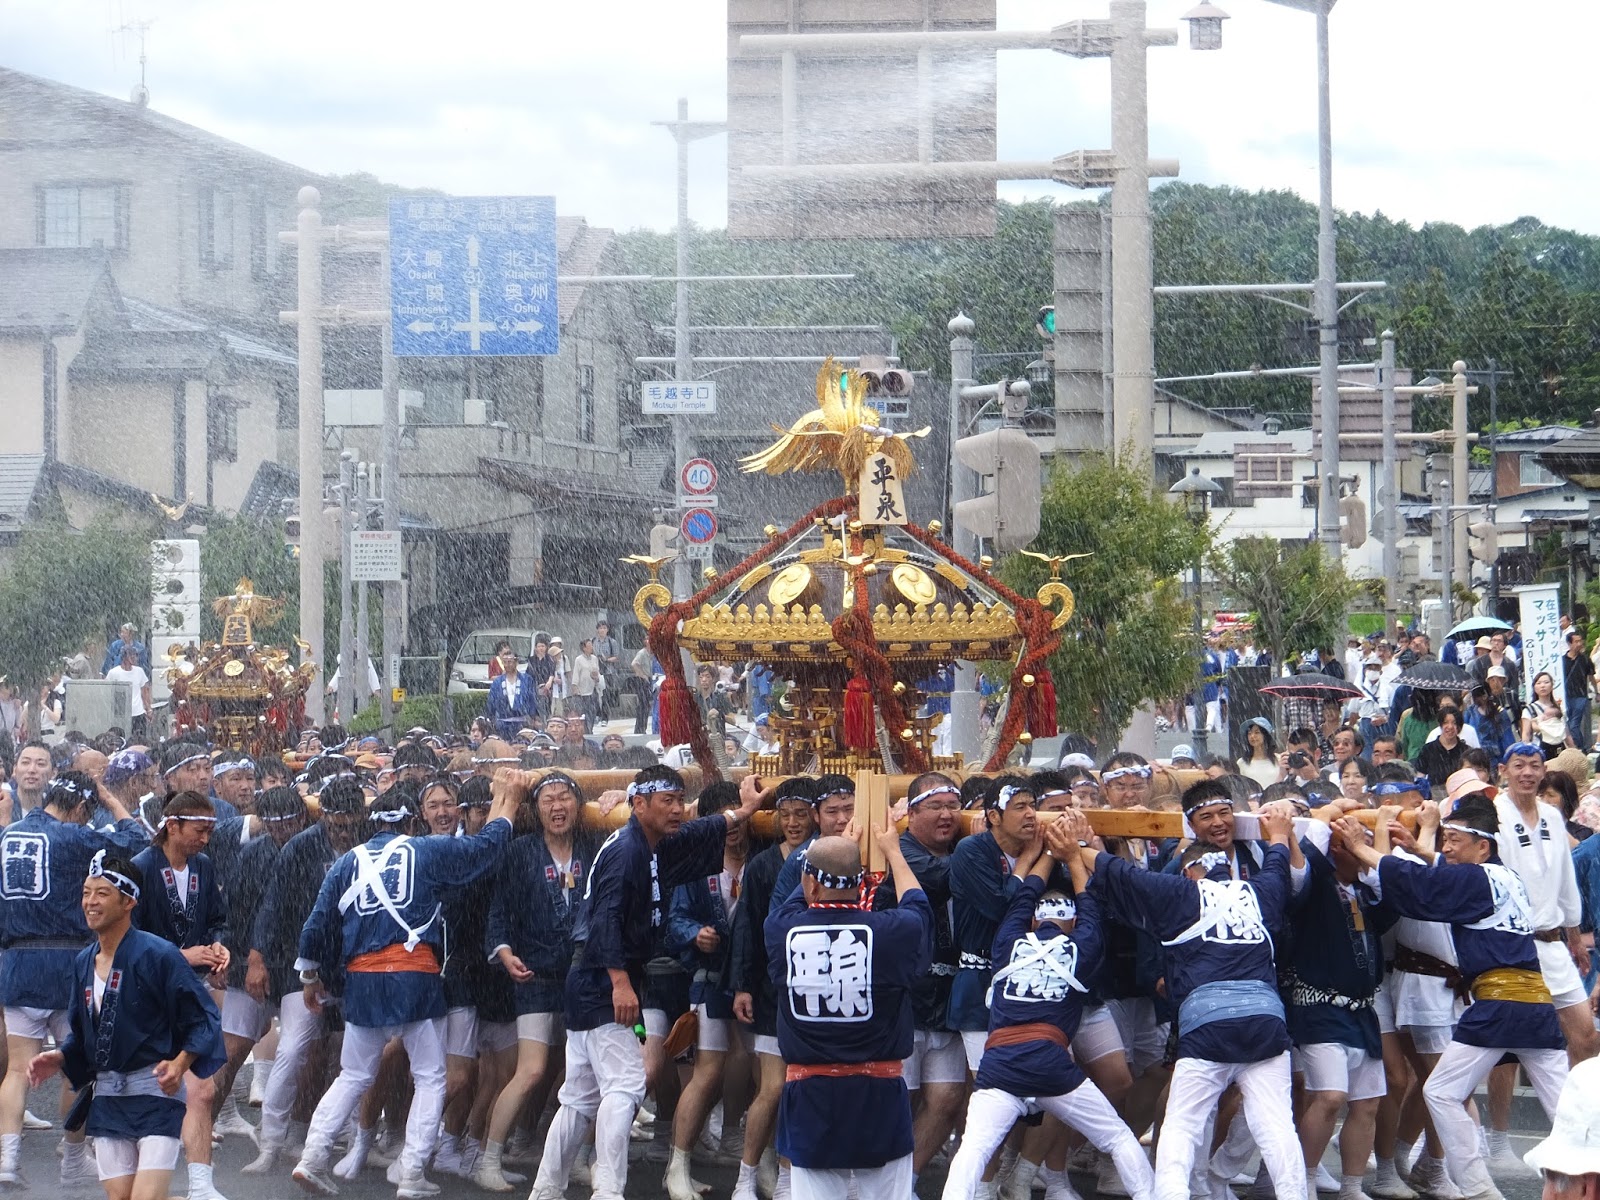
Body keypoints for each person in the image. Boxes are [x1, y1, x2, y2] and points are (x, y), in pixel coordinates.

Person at [529, 766, 762, 1200]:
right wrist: (620, 983)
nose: (677, 809)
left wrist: (742, 812)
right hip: (603, 978)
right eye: (666, 801)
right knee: (625, 1085)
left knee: (579, 1097)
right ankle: (608, 1191)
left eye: (680, 800)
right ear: (639, 804)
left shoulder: (651, 842)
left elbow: (696, 831)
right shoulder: (627, 851)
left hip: (592, 978)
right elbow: (605, 919)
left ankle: (545, 1189)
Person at [290, 773, 520, 1198]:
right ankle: (412, 1172)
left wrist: (309, 976)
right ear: (413, 822)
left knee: (353, 1075)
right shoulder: (426, 849)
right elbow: (485, 849)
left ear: (371, 824)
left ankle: (312, 1157)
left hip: (362, 981)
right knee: (431, 1078)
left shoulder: (346, 862)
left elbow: (315, 926)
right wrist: (507, 801)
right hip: (415, 977)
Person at [1332, 793, 1569, 1200]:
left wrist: (1359, 846)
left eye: (1455, 840)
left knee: (1440, 1092)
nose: (1447, 848)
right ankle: (1581, 1178)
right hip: (1536, 1005)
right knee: (1566, 1107)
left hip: (1498, 1005)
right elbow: (1442, 873)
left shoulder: (1474, 879)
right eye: (1445, 840)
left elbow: (1421, 884)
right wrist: (1420, 847)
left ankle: (1478, 1190)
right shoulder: (1508, 877)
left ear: (1483, 846)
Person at [1080, 792, 1306, 1200]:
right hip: (1266, 1022)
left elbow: (1121, 873)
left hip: (1207, 1025)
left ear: (1188, 872)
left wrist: (1078, 846)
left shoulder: (1179, 893)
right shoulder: (1258, 891)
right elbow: (1277, 866)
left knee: (1182, 1126)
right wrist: (1278, 835)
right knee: (1277, 1126)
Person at [942, 810, 1155, 1200]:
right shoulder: (1081, 948)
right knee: (1117, 1137)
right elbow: (1090, 904)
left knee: (972, 1150)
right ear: (1071, 923)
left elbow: (1023, 896)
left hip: (999, 1061)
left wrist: (1046, 855)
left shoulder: (1008, 942)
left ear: (1032, 923)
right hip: (1050, 1062)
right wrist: (1071, 856)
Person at [27, 850, 225, 1200]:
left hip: (155, 1093)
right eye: (86, 893)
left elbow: (202, 1018)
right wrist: (60, 1057)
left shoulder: (158, 954)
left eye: (102, 894)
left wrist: (180, 1064)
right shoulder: (83, 962)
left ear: (129, 901)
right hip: (108, 1098)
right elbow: (83, 1035)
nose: (90, 902)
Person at [765, 816, 933, 1200]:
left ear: (810, 884)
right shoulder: (892, 930)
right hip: (880, 1095)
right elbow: (919, 908)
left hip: (811, 1095)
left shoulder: (780, 930)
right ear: (862, 883)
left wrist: (837, 849)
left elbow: (800, 899)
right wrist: (893, 852)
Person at [0, 772, 147, 1187]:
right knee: (79, 1069)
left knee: (16, 1070)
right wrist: (112, 801)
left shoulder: (5, 836)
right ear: (82, 807)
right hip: (68, 963)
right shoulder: (73, 837)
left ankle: (7, 1161)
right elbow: (134, 842)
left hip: (17, 962)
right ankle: (73, 1159)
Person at [475, 771, 600, 1192]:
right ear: (536, 809)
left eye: (565, 797)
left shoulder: (593, 847)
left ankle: (576, 1157)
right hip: (533, 975)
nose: (557, 806)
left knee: (584, 1072)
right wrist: (503, 951)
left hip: (581, 976)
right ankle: (488, 1158)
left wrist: (612, 798)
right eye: (548, 799)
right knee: (531, 1071)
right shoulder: (520, 852)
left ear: (578, 805)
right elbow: (499, 909)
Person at [130, 792, 230, 1200]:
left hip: (190, 993)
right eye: (199, 831)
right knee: (146, 1091)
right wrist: (180, 955)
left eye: (209, 832)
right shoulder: (140, 868)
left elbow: (217, 919)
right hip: (146, 997)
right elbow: (126, 936)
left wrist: (219, 946)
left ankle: (201, 1186)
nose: (205, 840)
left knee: (202, 1089)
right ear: (172, 826)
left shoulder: (203, 867)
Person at [730, 778, 817, 1200]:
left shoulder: (825, 856)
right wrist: (742, 984)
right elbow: (747, 925)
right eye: (785, 816)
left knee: (801, 1088)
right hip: (770, 986)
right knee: (773, 1087)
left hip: (812, 985)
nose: (793, 823)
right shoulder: (764, 863)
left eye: (801, 814)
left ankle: (786, 1177)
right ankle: (745, 1176)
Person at [663, 782, 750, 1200]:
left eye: (737, 815)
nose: (732, 827)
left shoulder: (764, 857)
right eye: (722, 818)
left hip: (753, 981)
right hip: (709, 978)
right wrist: (695, 933)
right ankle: (676, 1164)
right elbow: (675, 918)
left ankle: (744, 1146)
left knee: (757, 1068)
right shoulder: (696, 864)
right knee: (707, 1072)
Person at [1493, 744, 1597, 1063]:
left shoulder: (1551, 816)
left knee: (1586, 1036)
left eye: (1534, 766)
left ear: (1543, 772)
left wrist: (1575, 938)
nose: (1527, 772)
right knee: (1506, 1047)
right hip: (1512, 945)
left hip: (1553, 942)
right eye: (1519, 765)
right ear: (1503, 771)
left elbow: (1566, 881)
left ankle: (1574, 1095)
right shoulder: (1493, 814)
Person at [486, 645, 538, 740]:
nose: (507, 665)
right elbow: (491, 703)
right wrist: (490, 719)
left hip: (522, 723)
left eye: (510, 662)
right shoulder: (497, 682)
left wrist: (533, 717)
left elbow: (532, 700)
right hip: (502, 724)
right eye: (504, 662)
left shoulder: (526, 680)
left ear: (516, 662)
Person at [104, 648, 152, 743]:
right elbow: (107, 692)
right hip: (121, 714)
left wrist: (148, 709)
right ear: (124, 657)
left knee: (140, 739)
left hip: (138, 713)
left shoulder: (139, 671)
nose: (135, 658)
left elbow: (144, 691)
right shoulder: (114, 673)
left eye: (136, 655)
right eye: (132, 655)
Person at [1563, 630, 1595, 751]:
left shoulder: (1585, 659)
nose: (1579, 644)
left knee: (1574, 725)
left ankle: (1580, 748)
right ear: (1569, 644)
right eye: (1576, 641)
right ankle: (1579, 748)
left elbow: (1591, 676)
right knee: (1569, 724)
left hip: (1581, 695)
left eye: (1580, 641)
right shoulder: (1562, 660)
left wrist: (1597, 692)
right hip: (1566, 697)